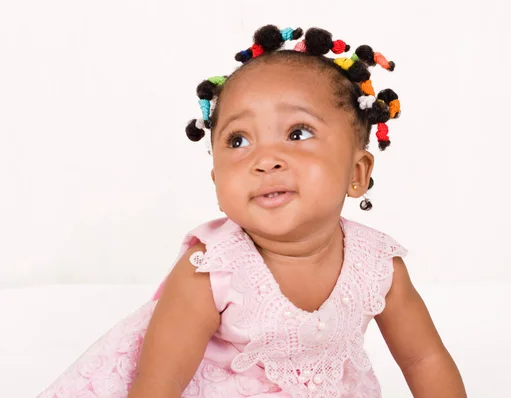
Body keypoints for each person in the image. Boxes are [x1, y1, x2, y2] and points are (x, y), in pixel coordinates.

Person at [39, 25, 466, 398]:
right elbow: (157, 385)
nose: (265, 160)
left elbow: (425, 359)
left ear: (357, 173)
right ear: (215, 177)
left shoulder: (377, 266)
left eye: (298, 133)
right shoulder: (212, 271)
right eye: (238, 141)